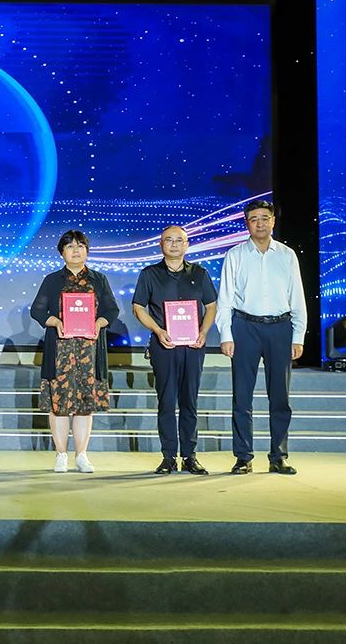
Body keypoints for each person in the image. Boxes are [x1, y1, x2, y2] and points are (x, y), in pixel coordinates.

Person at [216, 199, 307, 475]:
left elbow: (297, 296)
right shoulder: (235, 255)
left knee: (280, 397)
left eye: (264, 218)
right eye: (254, 219)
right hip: (245, 327)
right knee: (242, 397)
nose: (260, 223)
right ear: (247, 223)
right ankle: (243, 457)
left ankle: (279, 456)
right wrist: (226, 334)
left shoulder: (287, 255)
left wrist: (298, 335)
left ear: (273, 221)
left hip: (280, 328)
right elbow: (225, 298)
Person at [30, 230, 119, 473]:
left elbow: (111, 310)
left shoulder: (98, 279)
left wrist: (99, 323)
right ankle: (61, 454)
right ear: (62, 253)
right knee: (58, 405)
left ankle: (81, 455)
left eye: (80, 246)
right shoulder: (52, 280)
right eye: (70, 246)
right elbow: (37, 310)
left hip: (89, 352)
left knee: (84, 406)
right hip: (59, 352)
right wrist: (54, 321)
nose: (76, 250)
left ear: (87, 251)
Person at [131, 225, 218, 475]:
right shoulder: (149, 274)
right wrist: (158, 331)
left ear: (187, 245)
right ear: (161, 245)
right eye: (168, 240)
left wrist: (204, 331)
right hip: (164, 346)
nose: (174, 244)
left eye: (179, 240)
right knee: (167, 401)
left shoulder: (200, 273)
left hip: (193, 346)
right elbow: (138, 307)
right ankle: (168, 456)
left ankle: (190, 456)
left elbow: (211, 305)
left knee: (190, 401)